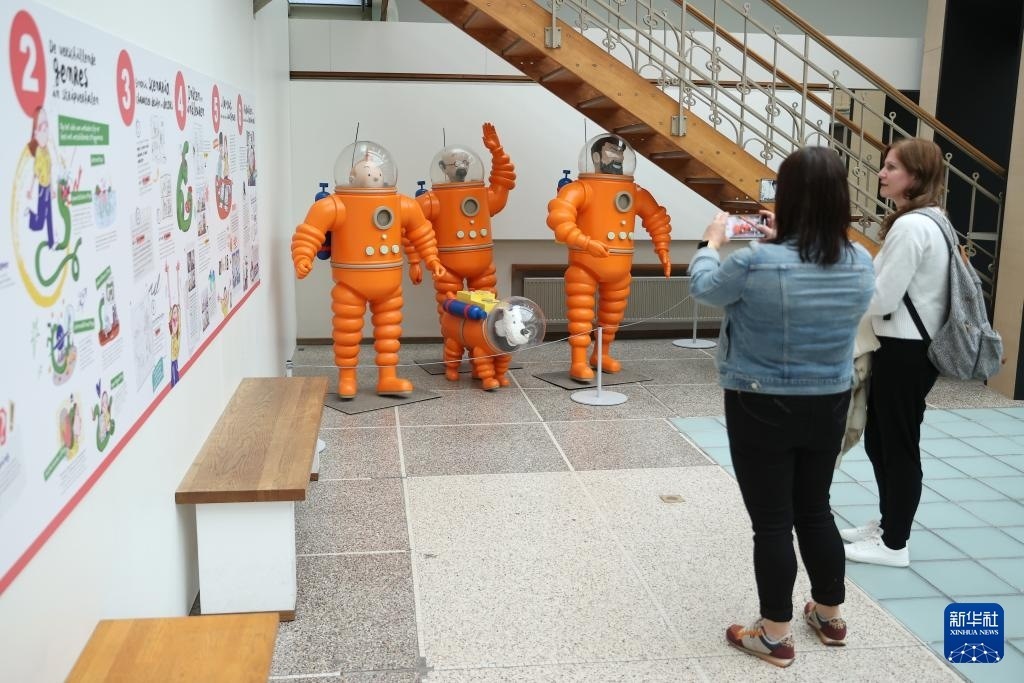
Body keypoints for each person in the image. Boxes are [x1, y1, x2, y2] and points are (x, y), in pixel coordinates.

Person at [689, 146, 875, 668]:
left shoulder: (754, 260)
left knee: (772, 522)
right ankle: (830, 616)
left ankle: (774, 634)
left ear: (786, 198)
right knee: (815, 508)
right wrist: (788, 241)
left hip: (759, 400)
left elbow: (704, 288)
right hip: (830, 398)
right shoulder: (860, 261)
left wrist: (711, 241)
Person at [841, 139, 948, 568]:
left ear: (916, 176)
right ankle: (889, 525)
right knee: (882, 440)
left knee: (897, 445)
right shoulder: (930, 219)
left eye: (892, 167)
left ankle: (894, 543)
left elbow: (883, 297)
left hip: (905, 349)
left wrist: (838, 301)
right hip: (907, 347)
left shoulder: (912, 227)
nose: (882, 174)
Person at [545, 134, 671, 381]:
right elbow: (560, 219)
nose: (618, 157)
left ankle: (601, 355)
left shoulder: (635, 192)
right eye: (611, 152)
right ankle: (578, 361)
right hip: (585, 264)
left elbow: (656, 218)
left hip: (620, 267)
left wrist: (663, 248)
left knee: (612, 316)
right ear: (595, 157)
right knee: (580, 316)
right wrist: (586, 243)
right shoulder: (580, 189)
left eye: (620, 153)